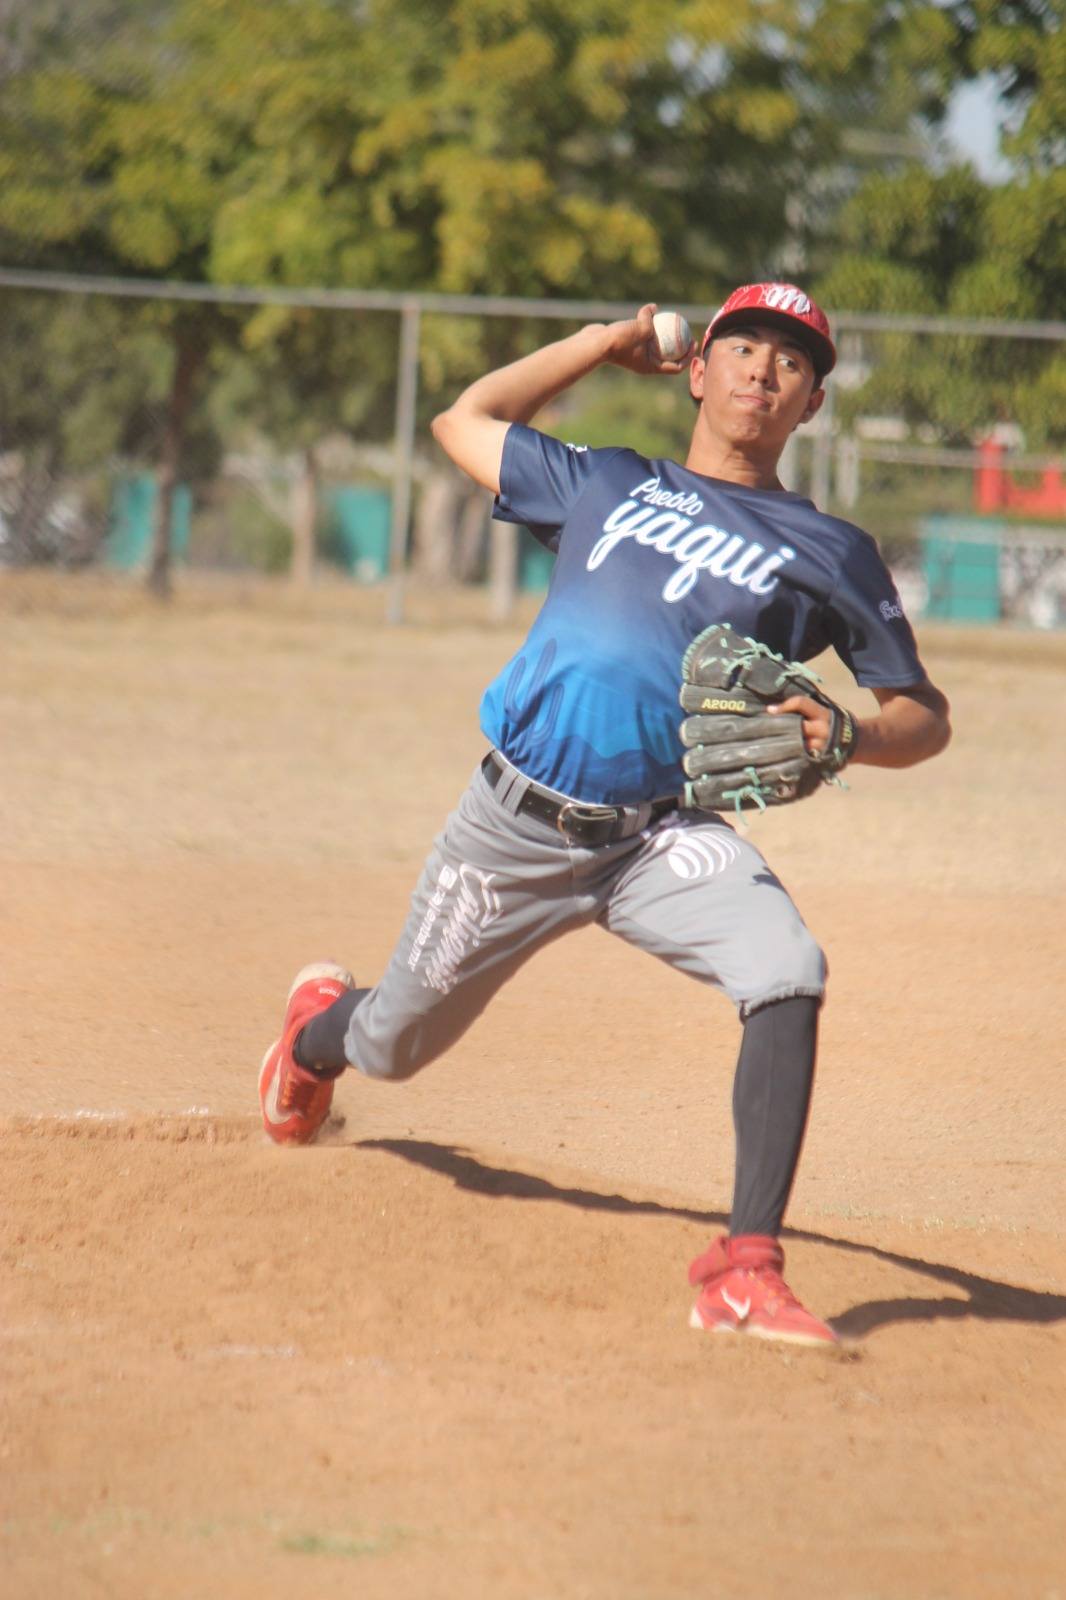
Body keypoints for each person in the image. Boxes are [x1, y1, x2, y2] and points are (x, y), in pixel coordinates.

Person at [258, 283, 951, 1348]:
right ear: (697, 369)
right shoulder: (607, 481)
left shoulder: (830, 552)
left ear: (811, 403)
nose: (764, 370)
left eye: (792, 361)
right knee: (391, 1045)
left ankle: (743, 1266)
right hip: (512, 826)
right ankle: (313, 1036)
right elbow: (465, 421)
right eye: (744, 346)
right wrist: (598, 341)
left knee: (786, 967)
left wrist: (848, 736)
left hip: (656, 836)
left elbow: (921, 715)